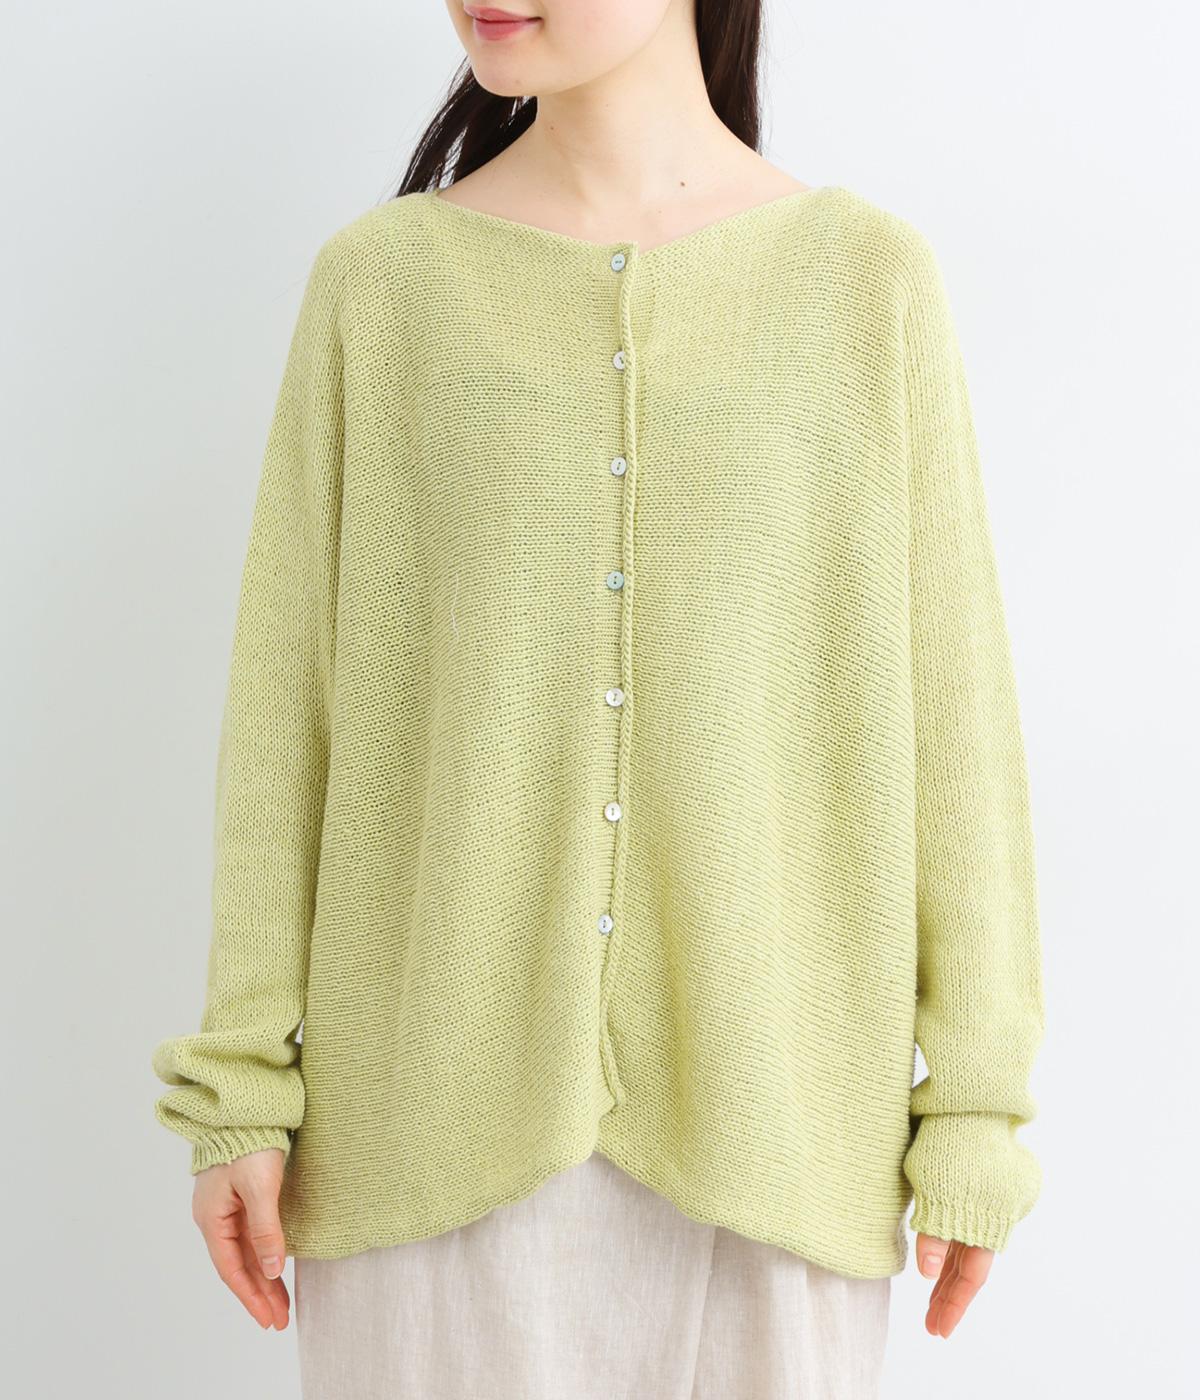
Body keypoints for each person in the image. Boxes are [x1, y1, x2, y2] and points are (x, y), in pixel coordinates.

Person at [150, 2, 1046, 1395]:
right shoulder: (382, 289)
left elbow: (954, 720)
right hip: (423, 1147)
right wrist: (240, 1095)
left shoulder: (864, 284)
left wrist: (977, 1107)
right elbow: (288, 718)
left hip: (779, 1138)